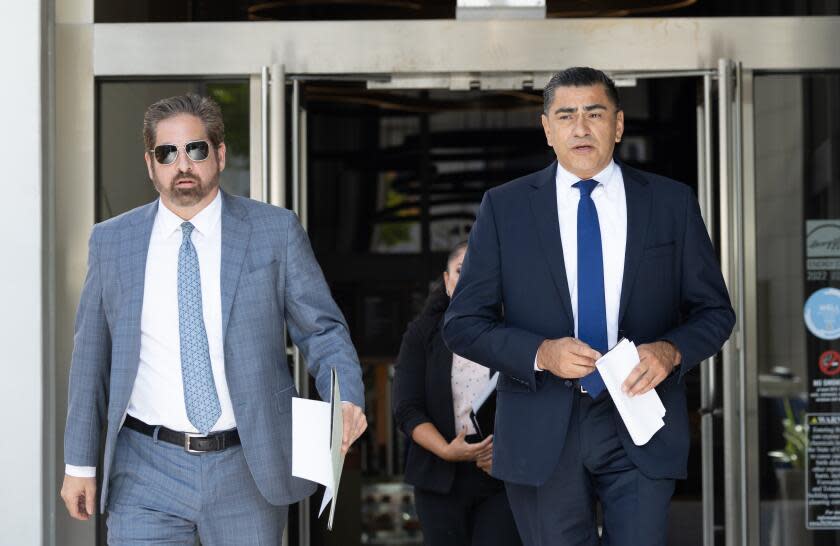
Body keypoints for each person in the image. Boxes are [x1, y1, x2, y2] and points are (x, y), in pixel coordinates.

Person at [442, 67, 735, 546]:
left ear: (618, 125)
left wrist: (670, 351)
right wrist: (541, 353)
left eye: (594, 114)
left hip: (641, 418)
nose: (581, 128)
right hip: (541, 426)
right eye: (566, 115)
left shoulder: (670, 202)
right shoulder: (505, 208)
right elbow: (463, 324)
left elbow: (715, 312)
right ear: (547, 129)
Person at [60, 94, 367, 544]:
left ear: (220, 154)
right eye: (167, 153)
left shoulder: (274, 232)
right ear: (151, 164)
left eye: (196, 149)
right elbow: (90, 361)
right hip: (145, 468)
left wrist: (346, 397)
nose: (182, 163)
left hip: (247, 463)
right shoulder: (112, 242)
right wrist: (79, 464)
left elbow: (322, 330)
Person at [393, 242, 521, 546]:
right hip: (438, 475)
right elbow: (406, 407)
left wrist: (508, 453)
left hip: (502, 477)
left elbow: (537, 407)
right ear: (447, 281)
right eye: (462, 271)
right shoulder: (421, 333)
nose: (469, 279)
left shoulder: (516, 335)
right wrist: (446, 450)